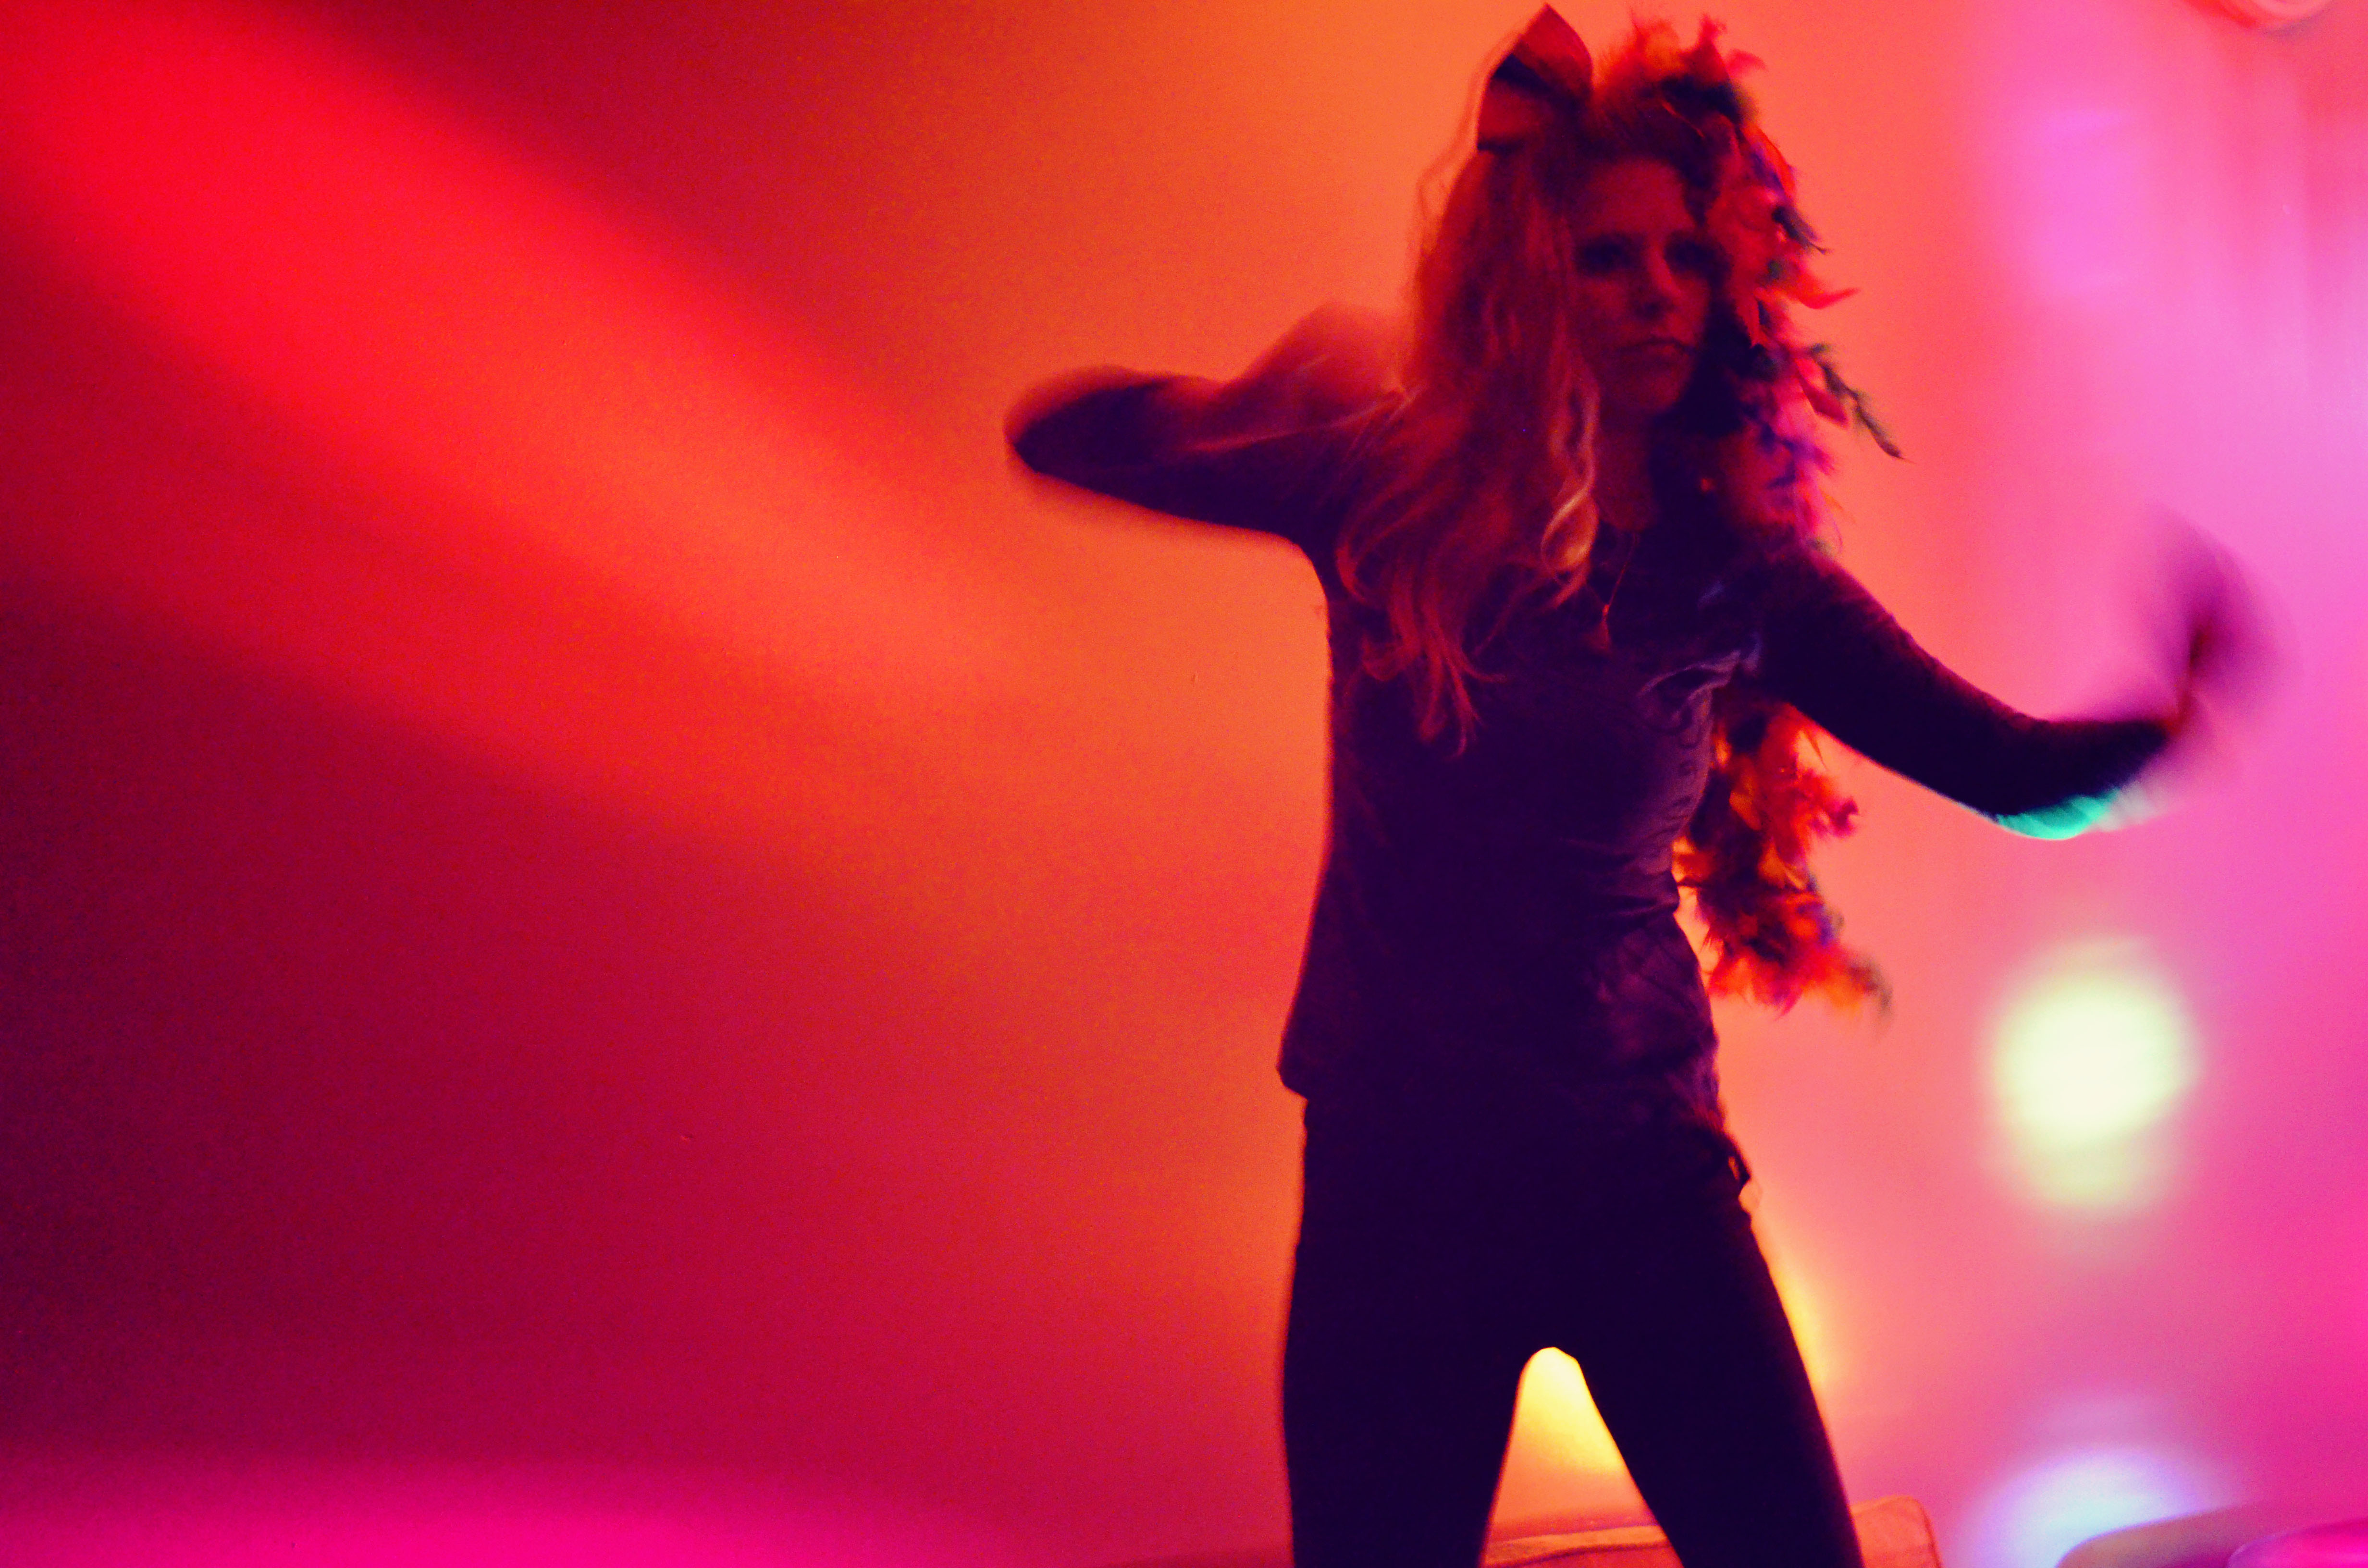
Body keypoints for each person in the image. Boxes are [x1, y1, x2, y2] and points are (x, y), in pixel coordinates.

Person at [1008, 12, 2238, 1568]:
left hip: (1639, 1175)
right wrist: (1252, 397)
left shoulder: (1741, 574)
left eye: (1683, 258)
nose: (1658, 289)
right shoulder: (1384, 489)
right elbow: (1058, 437)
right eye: (1609, 258)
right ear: (1532, 283)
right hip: (1400, 1188)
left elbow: (2011, 774)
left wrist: (2172, 723)